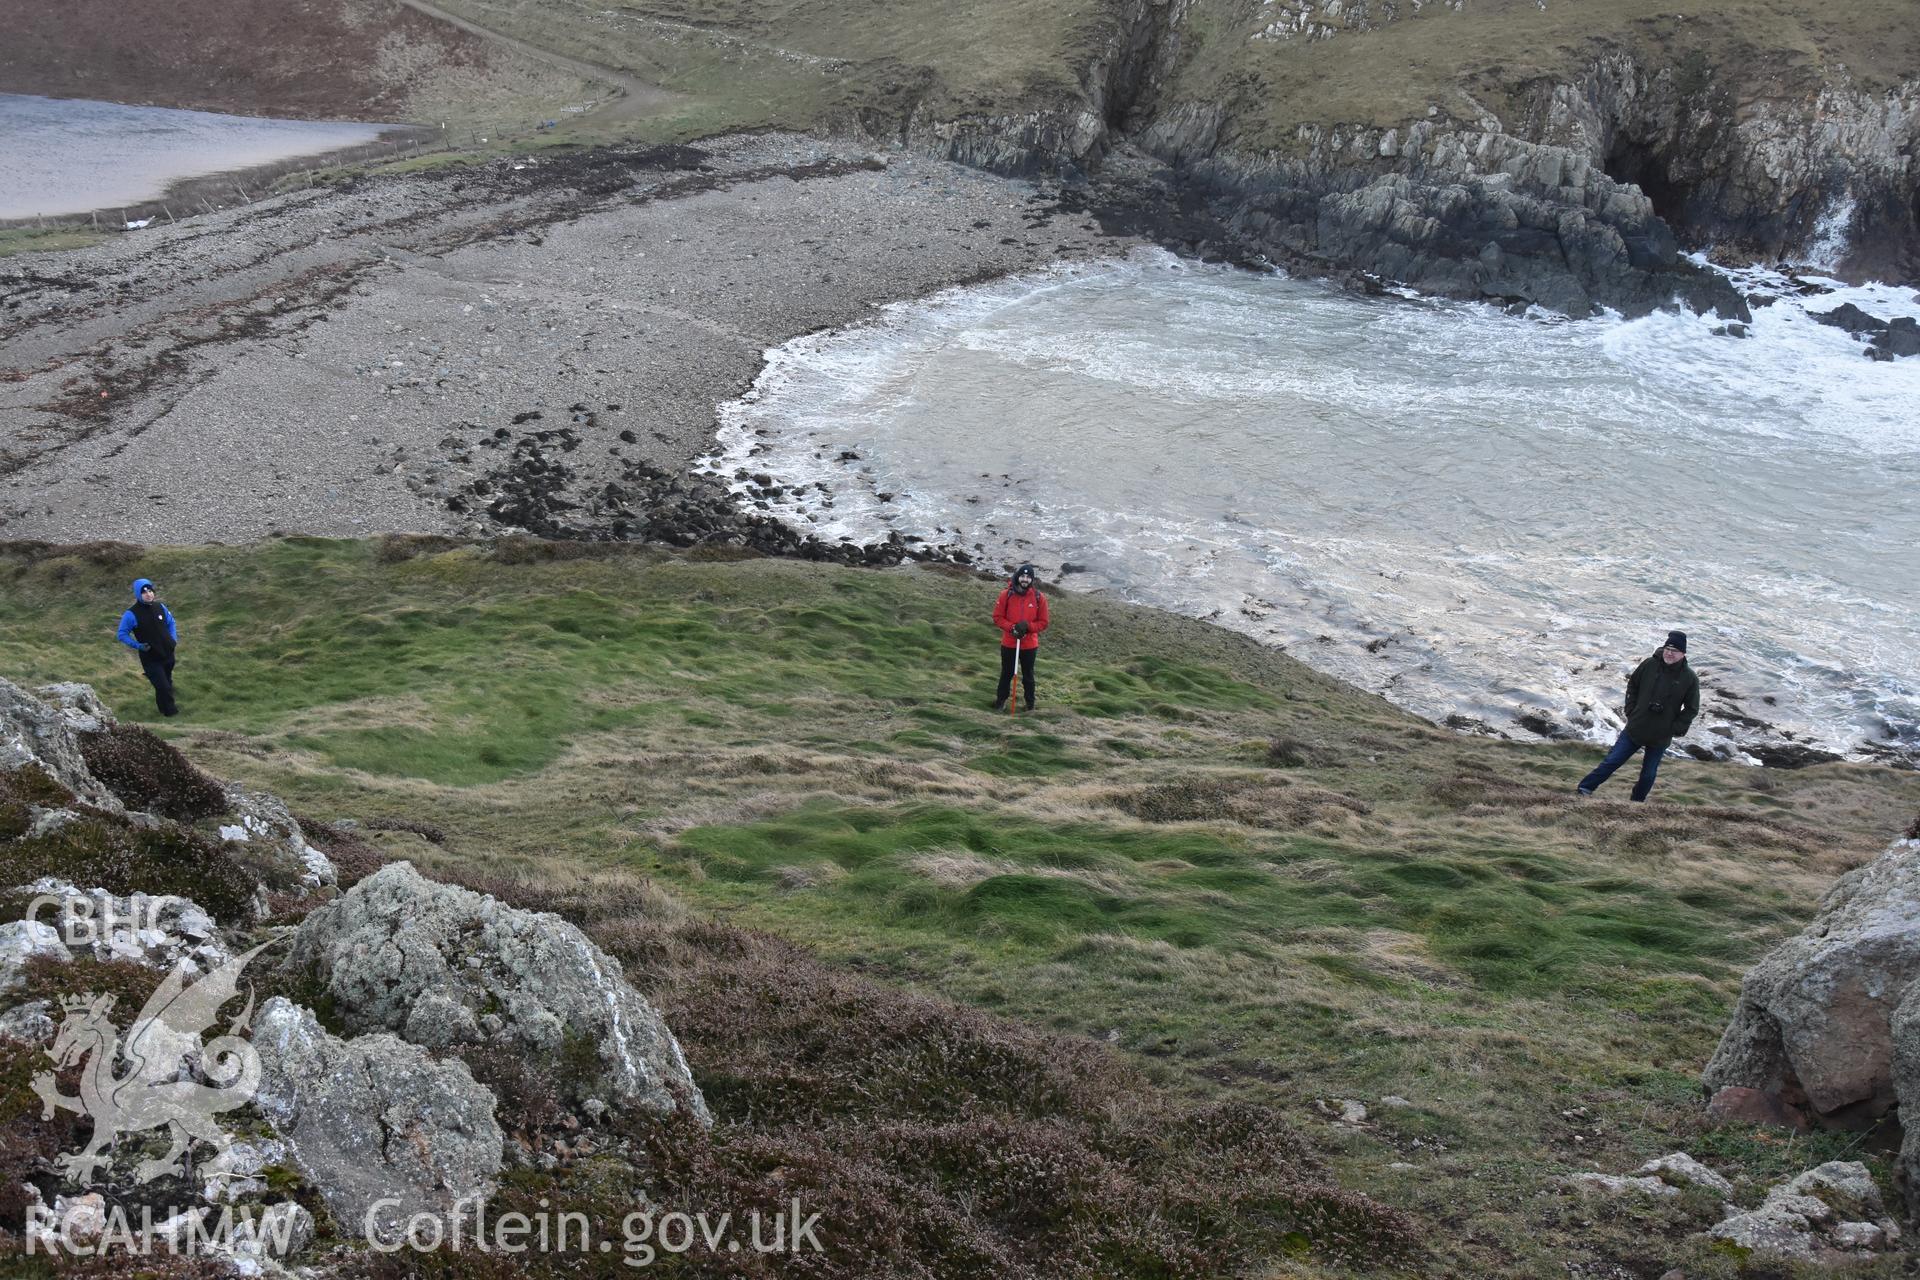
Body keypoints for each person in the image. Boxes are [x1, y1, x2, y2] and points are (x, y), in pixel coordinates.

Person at [1577, 629, 1699, 801]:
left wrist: (1674, 728)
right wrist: (1631, 710)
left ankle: (1636, 803)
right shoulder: (1649, 664)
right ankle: (1585, 788)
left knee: (1648, 775)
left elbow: (1692, 708)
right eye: (1667, 649)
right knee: (1612, 761)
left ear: (1683, 654)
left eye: (1674, 651)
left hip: (1660, 736)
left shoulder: (1690, 678)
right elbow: (1633, 686)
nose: (1669, 653)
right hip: (1637, 726)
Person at [117, 578, 180, 717]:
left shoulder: (160, 607)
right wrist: (138, 645)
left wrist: (173, 639)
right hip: (150, 657)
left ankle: (162, 709)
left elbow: (171, 623)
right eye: (144, 592)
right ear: (138, 594)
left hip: (168, 653)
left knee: (166, 684)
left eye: (150, 590)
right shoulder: (131, 614)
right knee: (163, 686)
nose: (148, 594)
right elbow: (121, 634)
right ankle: (171, 713)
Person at [992, 563, 1050, 712]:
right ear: (1018, 577)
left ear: (1032, 579)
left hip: (1029, 645)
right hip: (1009, 643)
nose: (1025, 579)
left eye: (1028, 577)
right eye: (1022, 576)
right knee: (1007, 673)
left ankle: (1030, 705)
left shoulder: (1039, 598)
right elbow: (997, 617)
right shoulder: (1006, 594)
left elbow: (1043, 623)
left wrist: (1028, 627)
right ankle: (1000, 702)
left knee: (1028, 676)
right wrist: (1012, 628)